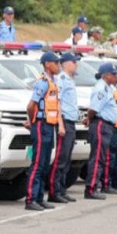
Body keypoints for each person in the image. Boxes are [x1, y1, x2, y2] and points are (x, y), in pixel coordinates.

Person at [23, 52, 62, 211]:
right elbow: (31, 106)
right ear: (47, 64)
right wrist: (32, 122)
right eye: (55, 62)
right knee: (38, 163)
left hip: (49, 125)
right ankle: (31, 199)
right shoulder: (43, 83)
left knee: (45, 163)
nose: (58, 65)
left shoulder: (53, 82)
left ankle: (39, 198)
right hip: (40, 125)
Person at [84, 63, 117, 199]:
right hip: (101, 124)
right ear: (106, 75)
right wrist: (88, 119)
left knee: (101, 158)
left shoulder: (107, 87)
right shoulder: (102, 88)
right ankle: (91, 188)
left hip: (106, 125)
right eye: (113, 74)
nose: (115, 76)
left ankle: (95, 186)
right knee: (97, 159)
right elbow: (93, 109)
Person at [48, 53, 80, 204]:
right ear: (66, 63)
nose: (76, 65)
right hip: (64, 121)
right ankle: (54, 192)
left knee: (67, 159)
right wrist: (60, 123)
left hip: (71, 121)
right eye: (74, 62)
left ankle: (62, 189)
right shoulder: (61, 79)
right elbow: (57, 102)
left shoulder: (70, 80)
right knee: (60, 158)